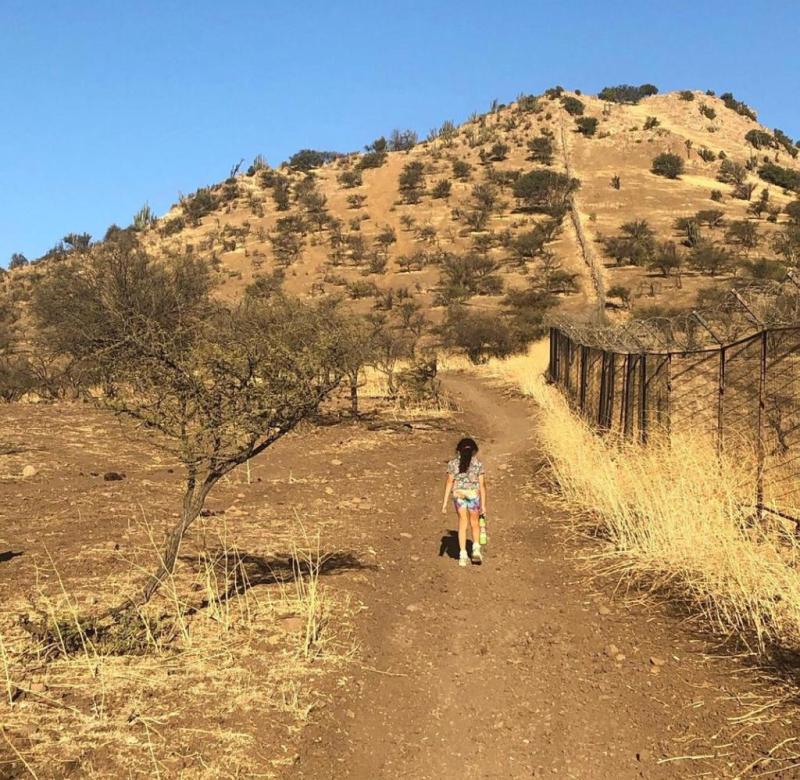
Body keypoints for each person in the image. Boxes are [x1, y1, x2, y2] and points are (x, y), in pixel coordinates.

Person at [441, 437, 487, 567]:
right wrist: (483, 505)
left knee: (462, 523)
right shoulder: (478, 464)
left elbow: (449, 482)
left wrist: (444, 503)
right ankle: (476, 549)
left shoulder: (453, 464)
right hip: (473, 495)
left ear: (458, 451)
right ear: (474, 451)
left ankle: (462, 555)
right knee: (475, 523)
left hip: (459, 495)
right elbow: (482, 485)